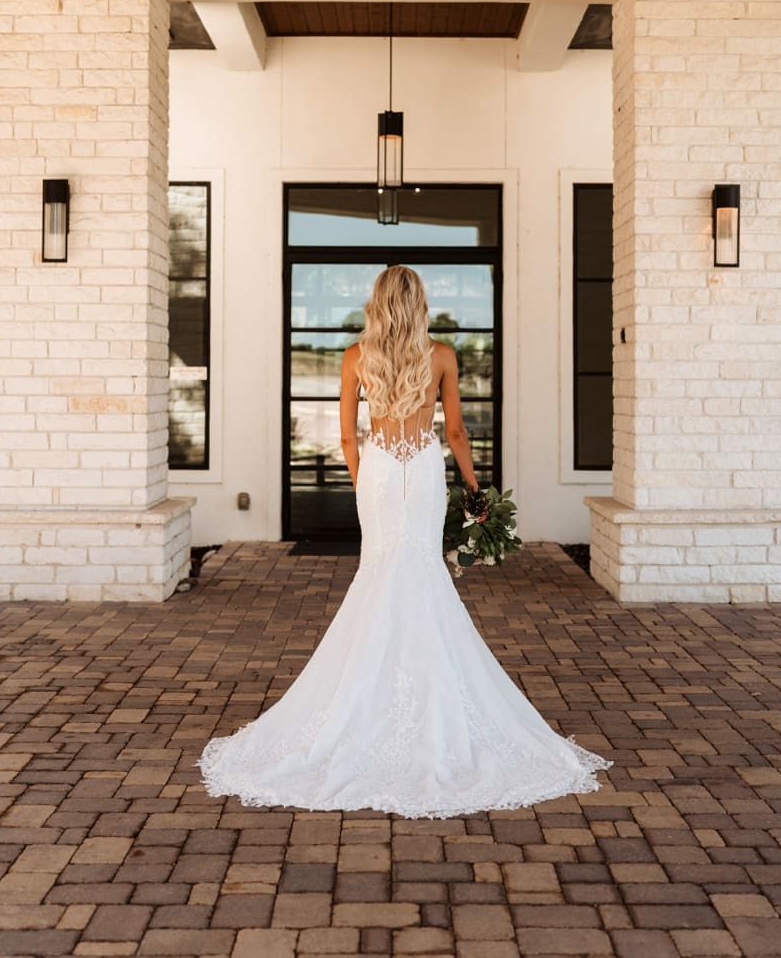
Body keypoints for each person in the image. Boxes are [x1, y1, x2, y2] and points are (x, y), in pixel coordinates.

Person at [197, 265, 610, 819]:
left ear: (377, 303)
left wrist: (364, 476)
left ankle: (365, 697)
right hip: (421, 469)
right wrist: (473, 490)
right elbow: (457, 432)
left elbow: (347, 434)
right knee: (421, 572)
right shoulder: (441, 356)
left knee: (380, 572)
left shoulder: (353, 357)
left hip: (381, 471)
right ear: (418, 304)